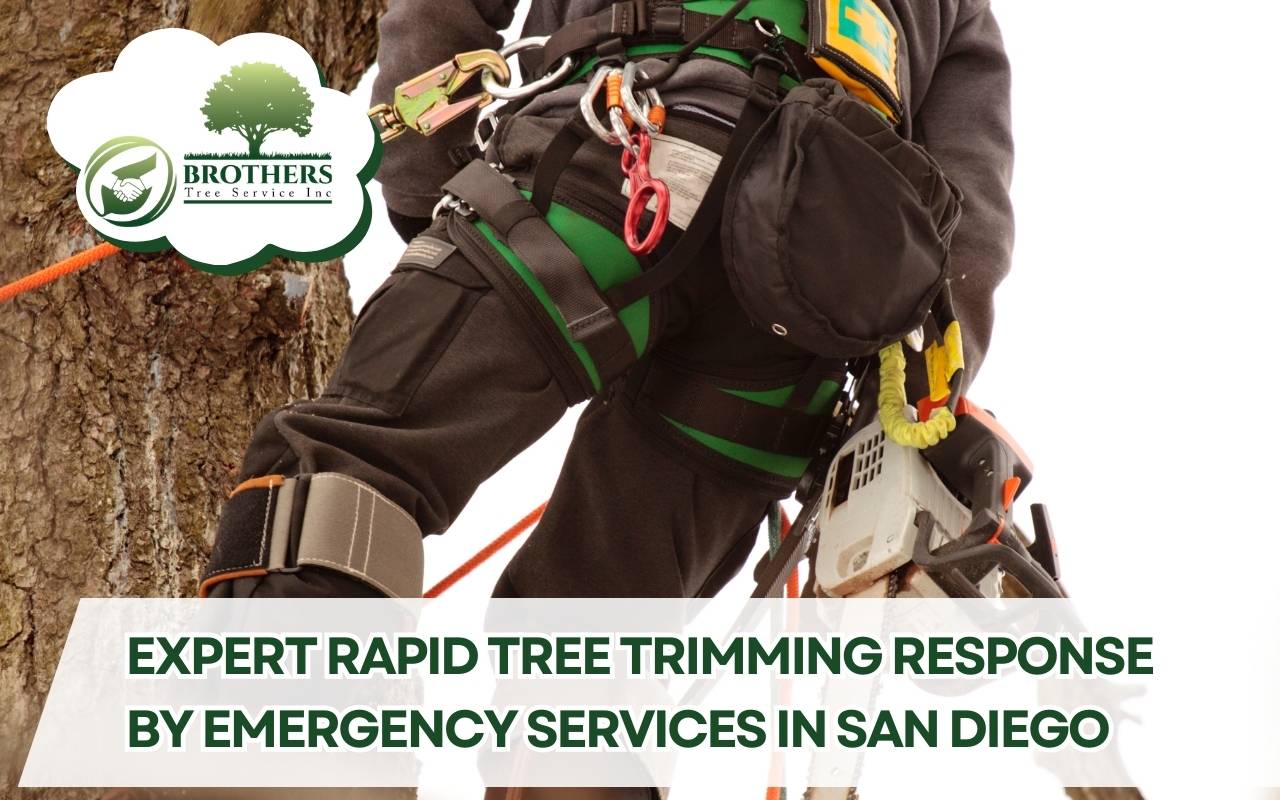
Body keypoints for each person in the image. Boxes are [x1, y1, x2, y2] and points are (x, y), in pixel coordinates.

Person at [200, 0, 1013, 792]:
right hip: (813, 298)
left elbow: (437, 18)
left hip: (626, 148)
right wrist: (916, 393)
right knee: (597, 639)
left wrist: (431, 192)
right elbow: (972, 213)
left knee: (350, 471)